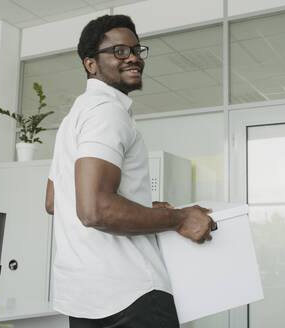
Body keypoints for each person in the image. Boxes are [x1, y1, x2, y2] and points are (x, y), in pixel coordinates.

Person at [45, 14, 217, 328]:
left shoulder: (74, 118)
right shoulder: (107, 112)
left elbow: (55, 201)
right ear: (91, 64)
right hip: (133, 295)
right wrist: (179, 218)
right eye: (120, 51)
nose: (134, 58)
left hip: (85, 300)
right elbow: (94, 210)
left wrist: (138, 208)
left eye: (137, 50)